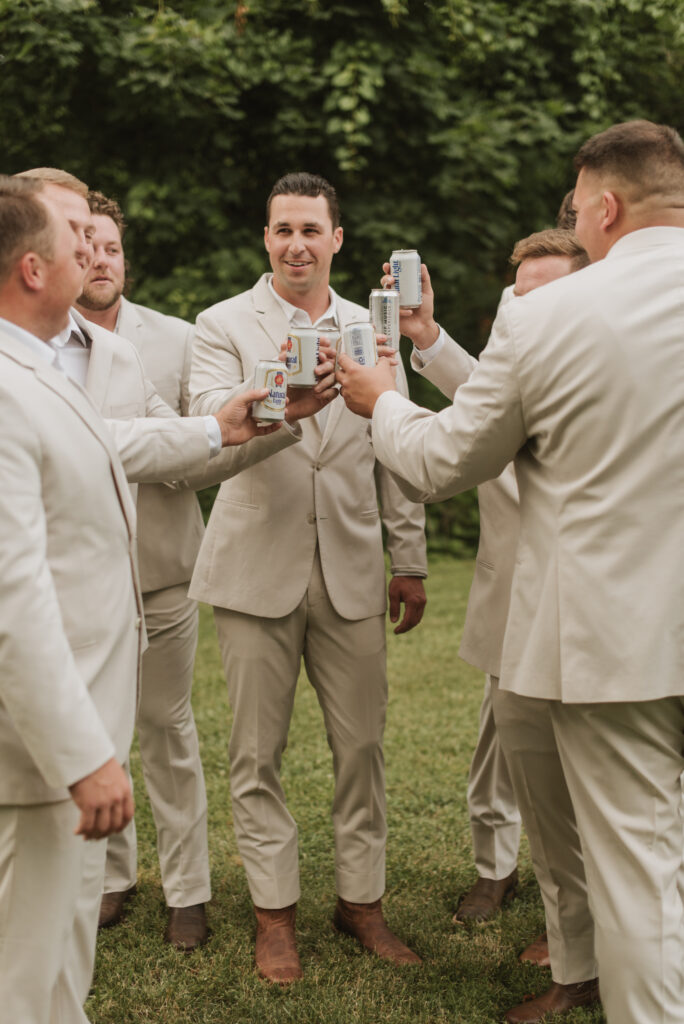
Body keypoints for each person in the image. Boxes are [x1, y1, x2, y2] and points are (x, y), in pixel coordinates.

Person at [338, 120, 684, 1024]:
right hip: (601, 642)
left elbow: (444, 459)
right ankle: (580, 973)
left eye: (578, 210)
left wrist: (381, 403)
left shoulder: (549, 315)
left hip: (617, 650)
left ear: (603, 207)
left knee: (642, 876)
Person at [17, 167, 333, 951]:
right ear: (35, 254)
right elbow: (106, 446)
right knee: (74, 750)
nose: (94, 254)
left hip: (153, 576)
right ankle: (101, 885)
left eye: (106, 242)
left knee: (164, 732)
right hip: (41, 590)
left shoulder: (133, 349)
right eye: (78, 238)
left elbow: (179, 443)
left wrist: (263, 419)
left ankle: (184, 892)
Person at [189, 172, 428, 983]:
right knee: (256, 754)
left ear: (336, 238)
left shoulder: (377, 326)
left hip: (356, 569)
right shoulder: (221, 323)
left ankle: (361, 904)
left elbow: (399, 448)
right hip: (257, 564)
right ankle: (274, 916)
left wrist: (412, 559)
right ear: (266, 239)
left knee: (361, 747)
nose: (296, 244)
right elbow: (208, 432)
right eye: (282, 229)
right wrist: (279, 414)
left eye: (310, 230)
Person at [383, 230, 595, 1023]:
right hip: (511, 603)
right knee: (500, 756)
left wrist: (386, 401)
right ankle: (497, 872)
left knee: (582, 786)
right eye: (521, 296)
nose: (531, 307)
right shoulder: (516, 368)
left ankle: (576, 933)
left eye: (547, 292)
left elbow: (450, 446)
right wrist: (425, 337)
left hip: (584, 618)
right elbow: (480, 397)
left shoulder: (595, 371)